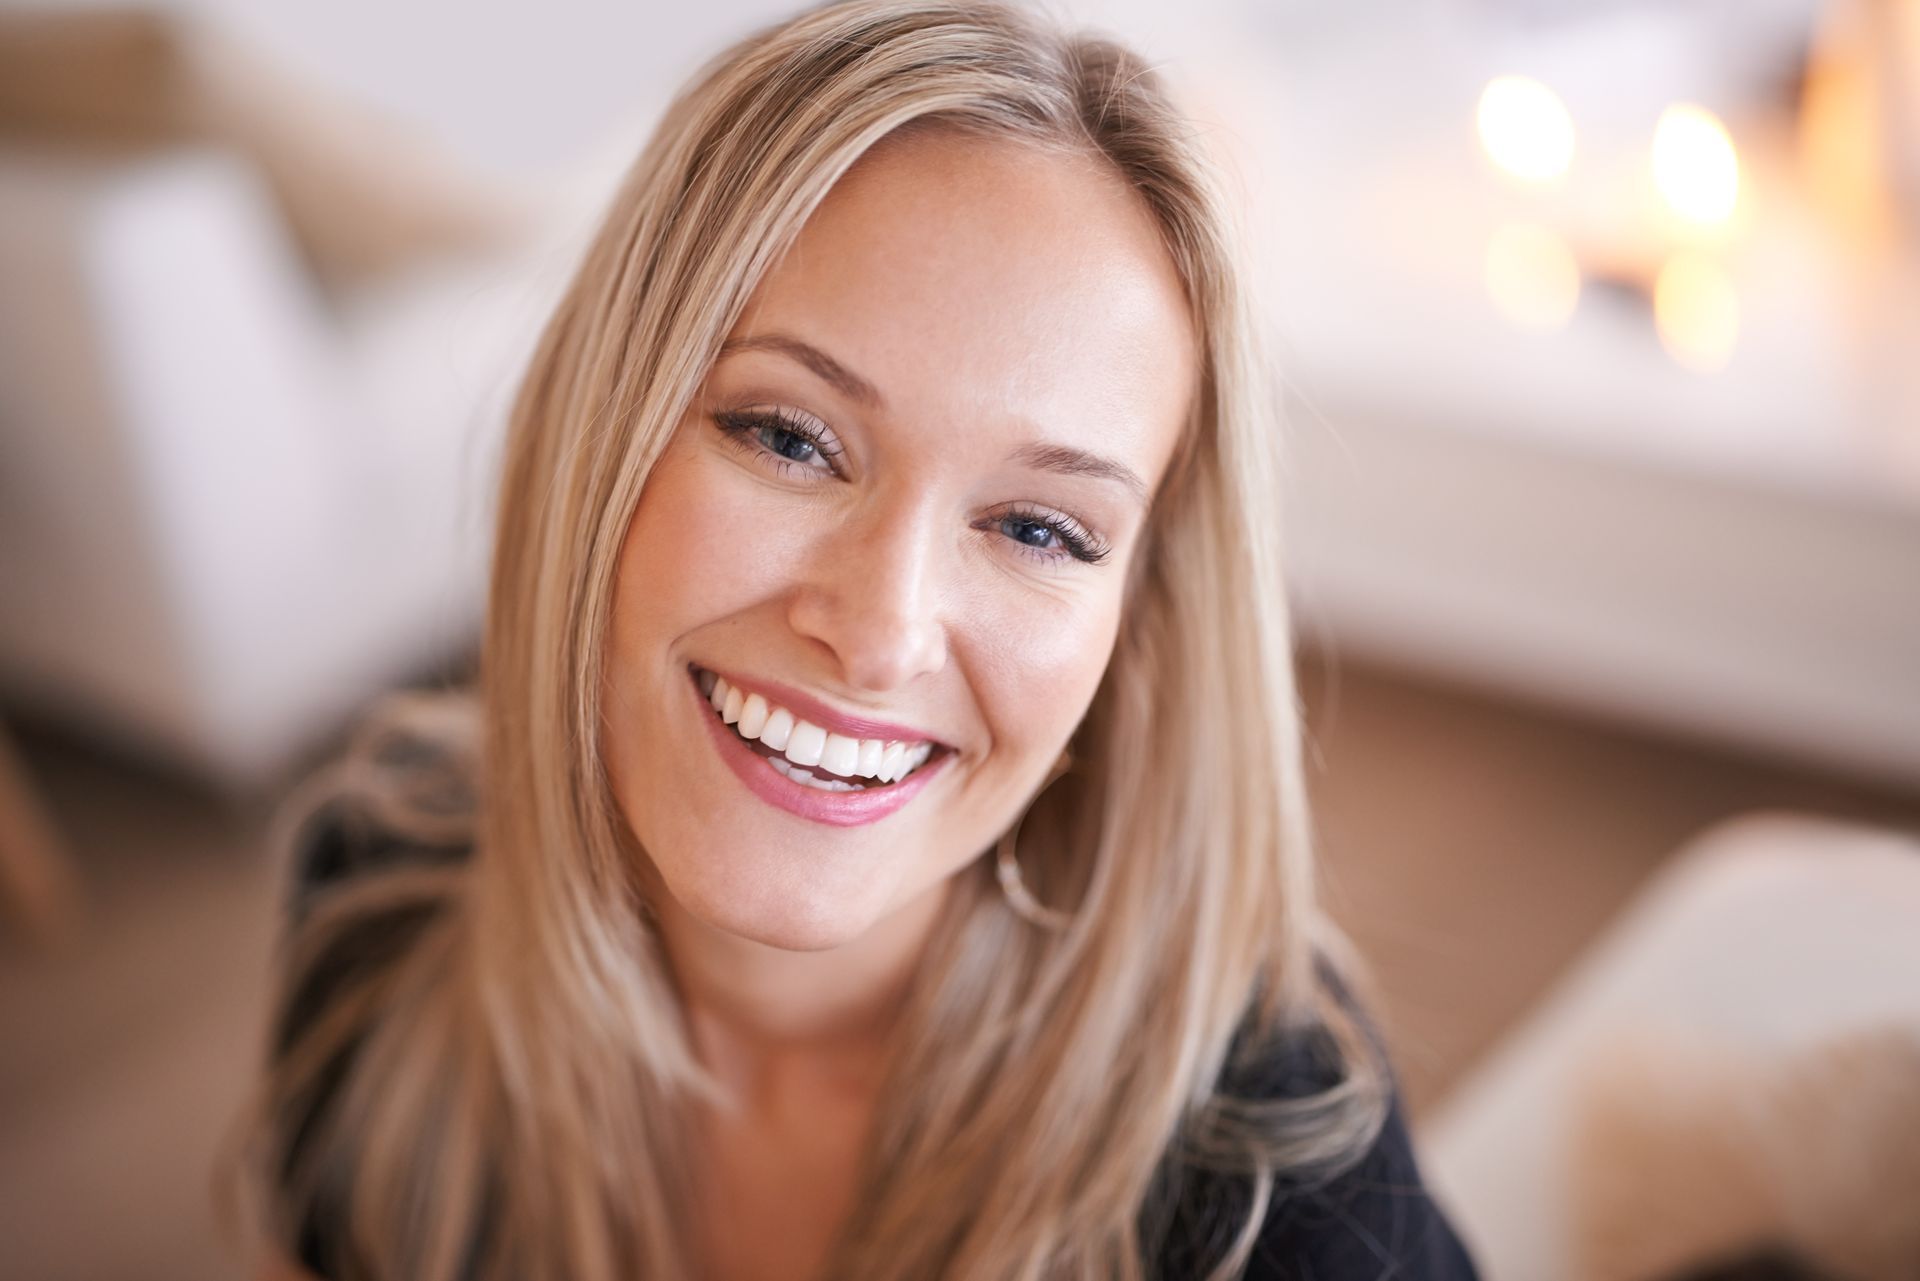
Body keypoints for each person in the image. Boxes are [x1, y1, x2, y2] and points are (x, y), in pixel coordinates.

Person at [244, 2, 1481, 1278]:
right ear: (598, 432)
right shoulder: (382, 896)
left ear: (1135, 635)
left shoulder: (1282, 1198)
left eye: (1042, 529)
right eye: (789, 438)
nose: (883, 633)